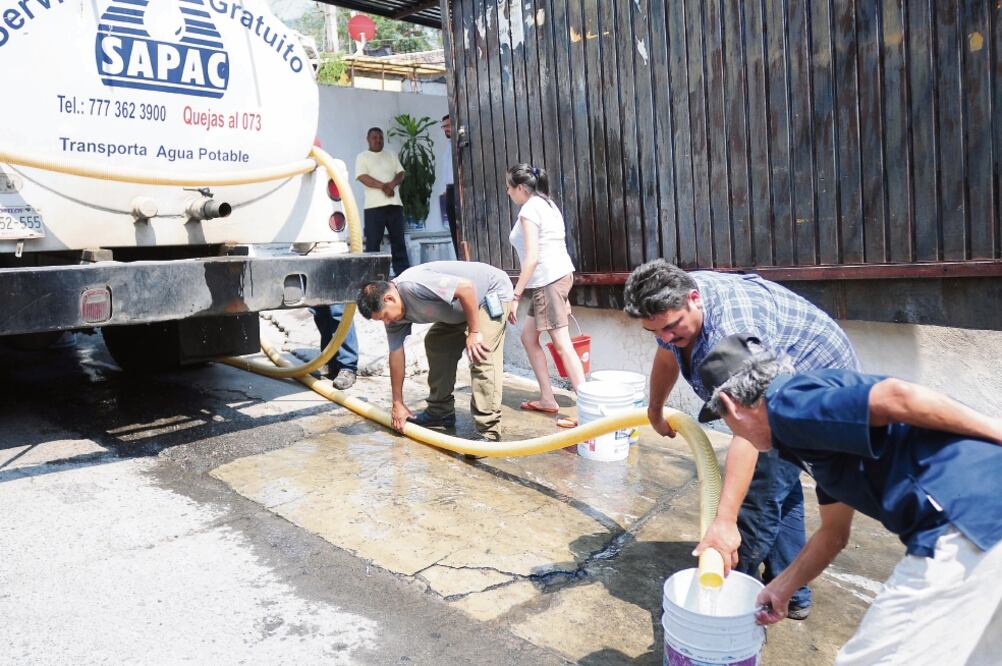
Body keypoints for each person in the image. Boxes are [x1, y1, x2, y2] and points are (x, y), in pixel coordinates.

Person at [698, 334, 1002, 664]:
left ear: (730, 405)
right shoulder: (814, 439)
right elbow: (833, 534)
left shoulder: (785, 402)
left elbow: (896, 396)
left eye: (724, 421)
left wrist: (995, 429)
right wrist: (783, 586)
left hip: (965, 521)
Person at [622, 260, 860, 620]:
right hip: (771, 392)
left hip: (816, 387)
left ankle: (732, 605)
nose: (666, 337)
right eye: (655, 331)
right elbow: (667, 352)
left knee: (754, 500)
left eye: (672, 327)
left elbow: (748, 431)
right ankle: (792, 590)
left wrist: (724, 522)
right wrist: (655, 409)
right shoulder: (673, 307)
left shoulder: (732, 330)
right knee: (780, 486)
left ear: (694, 298)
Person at [355, 261, 514, 441]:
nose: (387, 322)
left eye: (384, 316)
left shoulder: (414, 285)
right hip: (462, 308)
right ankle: (440, 411)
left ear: (389, 299)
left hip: (490, 294)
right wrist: (397, 403)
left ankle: (489, 431)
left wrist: (475, 332)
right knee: (436, 342)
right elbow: (396, 355)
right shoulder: (394, 318)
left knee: (481, 352)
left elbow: (466, 288)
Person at [504, 163, 585, 423]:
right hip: (552, 280)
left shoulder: (530, 209)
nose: (507, 192)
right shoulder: (547, 204)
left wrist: (515, 297)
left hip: (548, 281)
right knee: (529, 337)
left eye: (509, 187)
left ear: (520, 188)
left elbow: (533, 258)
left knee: (562, 344)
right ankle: (548, 399)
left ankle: (589, 411)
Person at [290, 240, 358, 390]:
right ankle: (331, 362)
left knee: (338, 312)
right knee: (319, 311)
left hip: (330, 251)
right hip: (305, 255)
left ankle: (348, 366)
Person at [355, 127, 410, 276]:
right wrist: (384, 186)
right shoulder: (362, 157)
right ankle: (373, 276)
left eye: (380, 137)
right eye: (374, 137)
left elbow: (401, 173)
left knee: (398, 242)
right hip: (374, 207)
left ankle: (403, 274)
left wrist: (392, 185)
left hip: (395, 205)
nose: (378, 140)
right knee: (373, 243)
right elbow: (363, 177)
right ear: (368, 140)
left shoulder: (391, 155)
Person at [440, 114, 460, 259]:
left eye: (448, 125)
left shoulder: (459, 145)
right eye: (444, 127)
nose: (446, 129)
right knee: (453, 227)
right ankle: (459, 258)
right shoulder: (448, 147)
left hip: (459, 189)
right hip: (449, 190)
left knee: (460, 227)